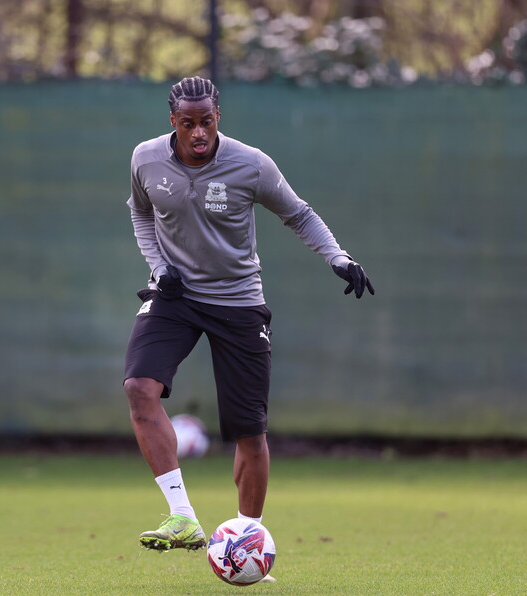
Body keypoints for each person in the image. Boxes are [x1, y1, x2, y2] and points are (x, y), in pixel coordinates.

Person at [123, 76, 374, 557]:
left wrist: (337, 258)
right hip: (175, 295)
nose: (199, 133)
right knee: (139, 387)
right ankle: (182, 516)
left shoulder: (251, 164)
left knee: (248, 430)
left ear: (220, 117)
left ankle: (247, 536)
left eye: (207, 122)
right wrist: (159, 267)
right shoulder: (145, 157)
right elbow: (140, 212)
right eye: (187, 124)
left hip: (237, 300)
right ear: (171, 122)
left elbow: (299, 214)